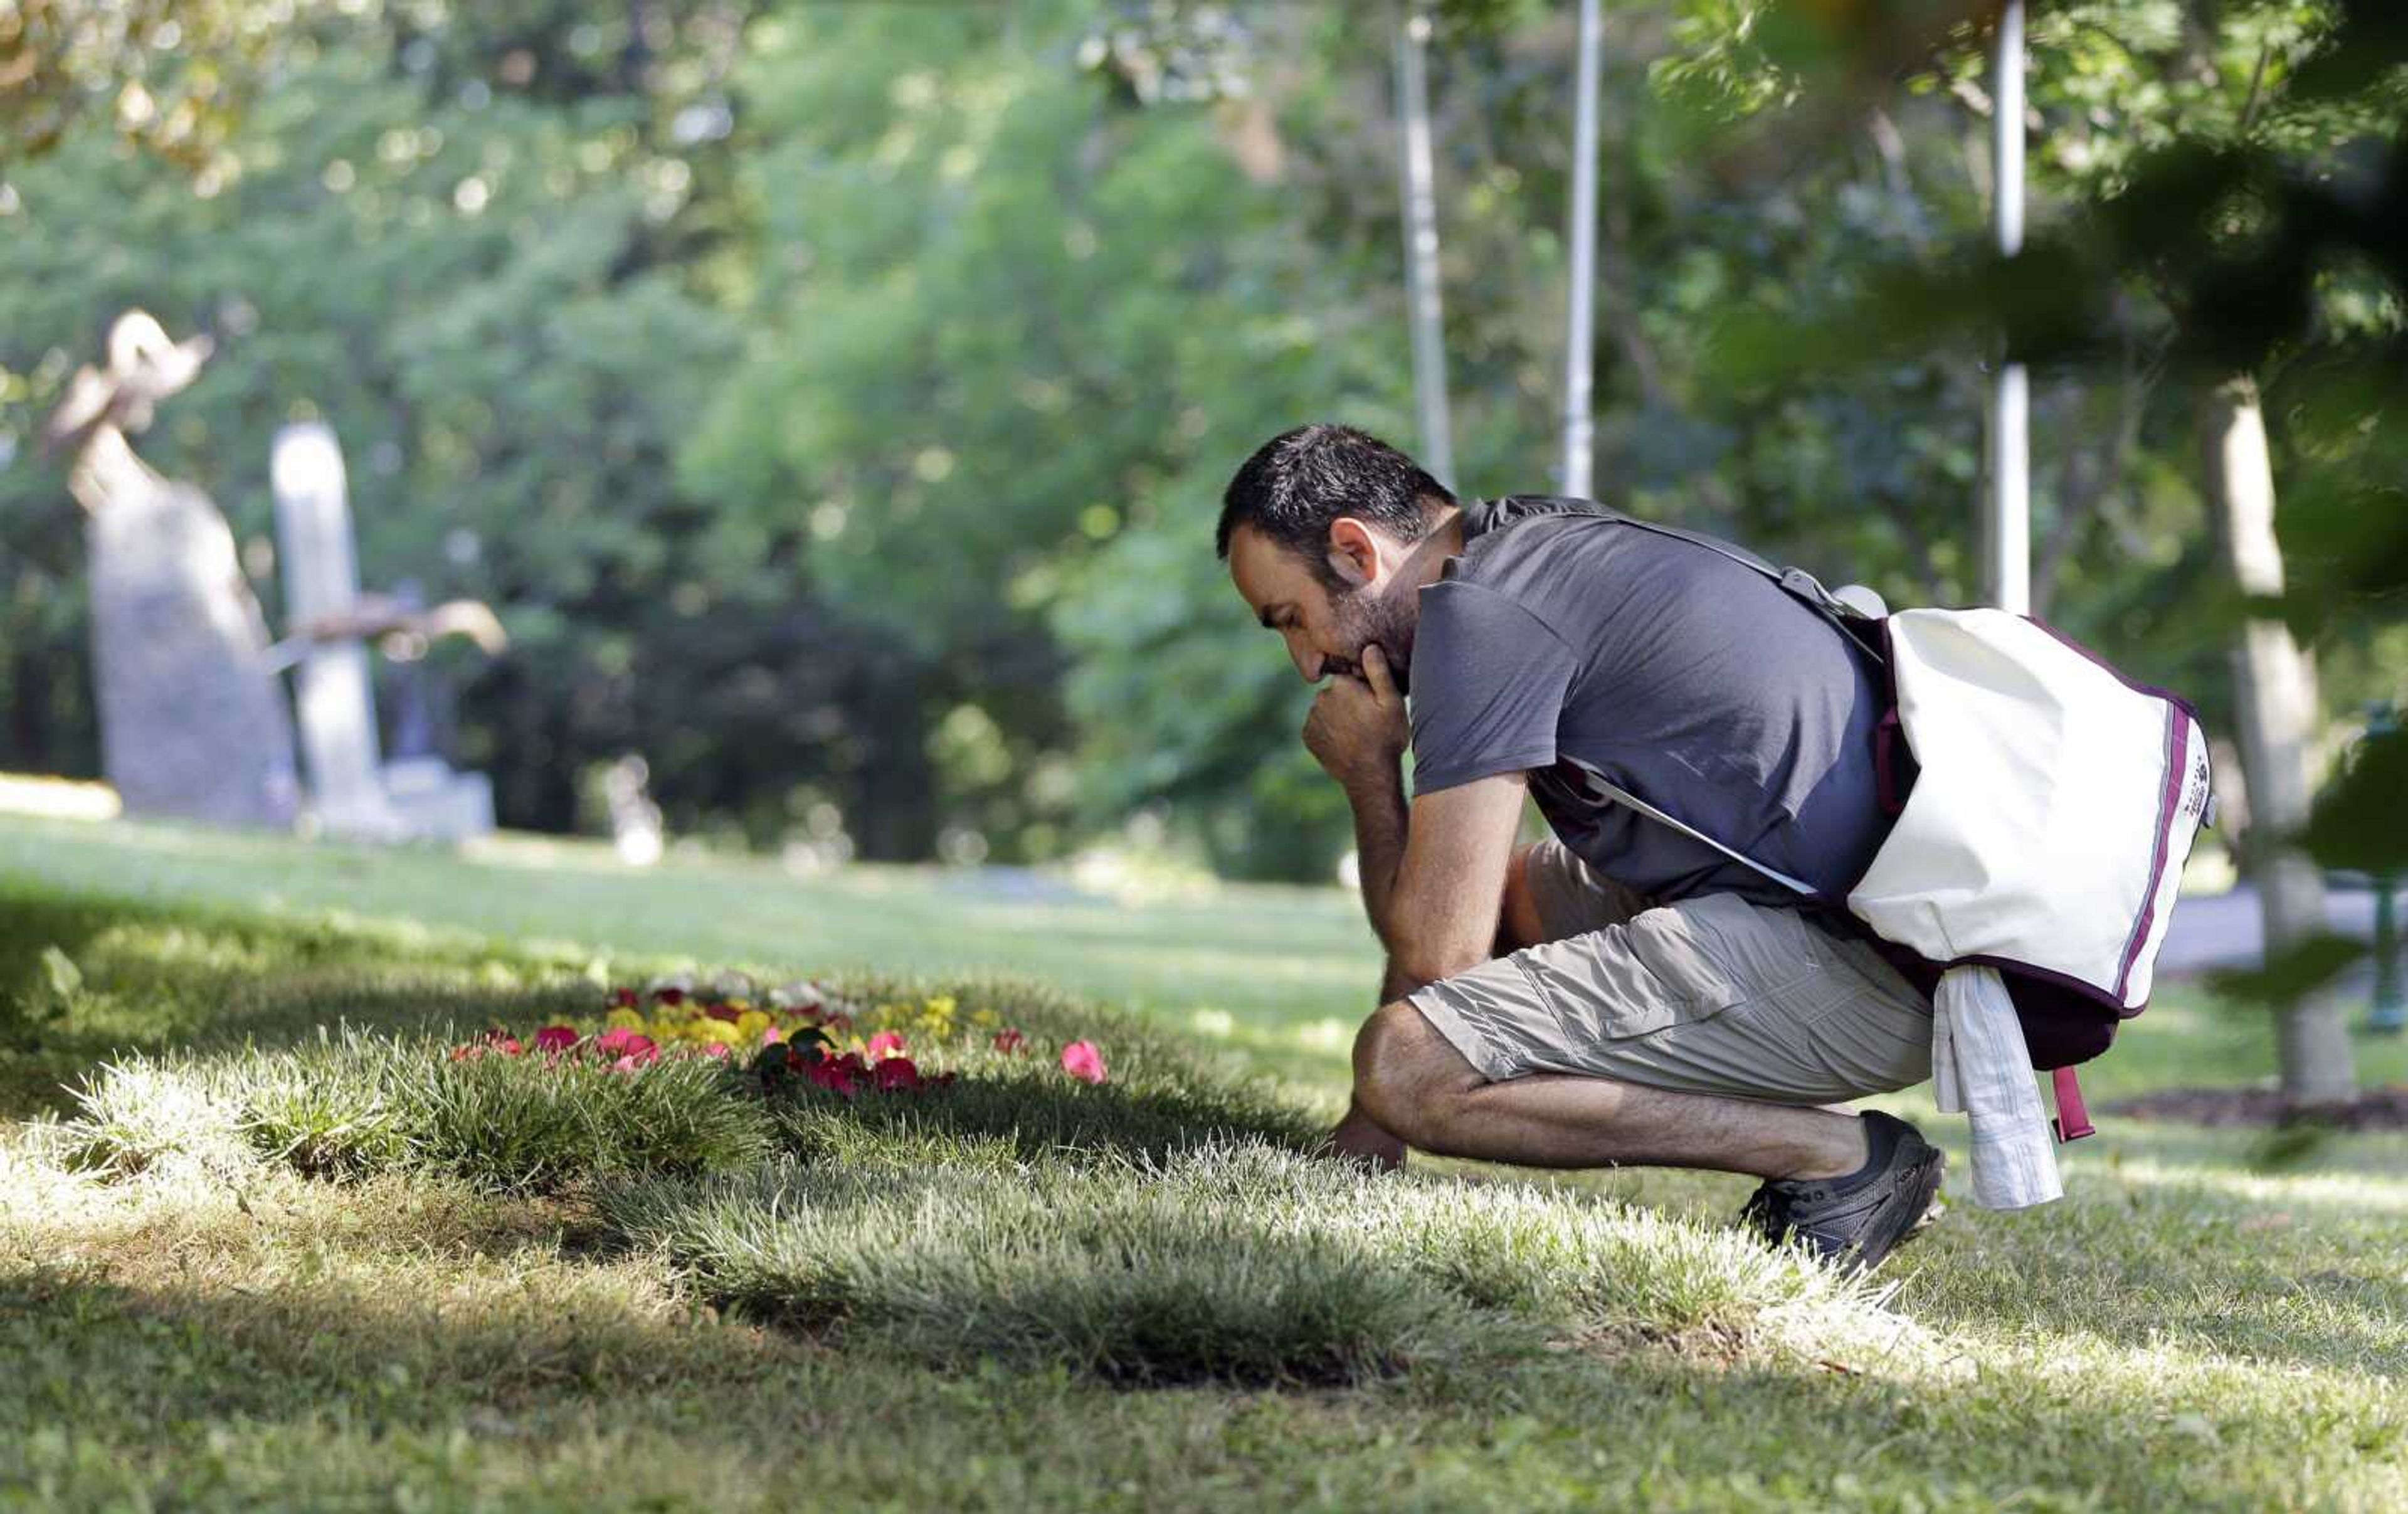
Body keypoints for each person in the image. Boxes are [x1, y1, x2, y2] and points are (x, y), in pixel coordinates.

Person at [1218, 423, 1947, 1271]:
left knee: (1407, 1066)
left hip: (1880, 967)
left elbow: (1441, 946)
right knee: (1508, 900)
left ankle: (1843, 1159)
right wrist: (1364, 1140)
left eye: (1293, 619)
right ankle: (1368, 1141)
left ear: (1354, 549)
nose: (1308, 663)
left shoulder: (1481, 616)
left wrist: (1371, 774)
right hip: (1830, 911)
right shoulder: (1525, 545)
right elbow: (1471, 898)